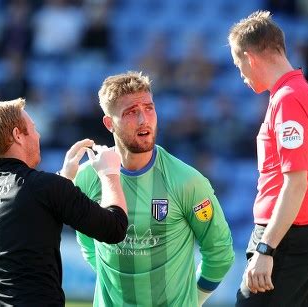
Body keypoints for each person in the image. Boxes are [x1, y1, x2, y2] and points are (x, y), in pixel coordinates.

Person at [75, 71, 235, 306]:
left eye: (149, 108)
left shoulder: (186, 181)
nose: (143, 120)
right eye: (131, 112)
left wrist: (193, 299)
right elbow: (87, 240)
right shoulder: (88, 177)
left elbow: (219, 253)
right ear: (109, 123)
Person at [0, 98, 128, 306]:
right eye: (32, 129)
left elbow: (28, 214)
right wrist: (109, 173)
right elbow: (115, 228)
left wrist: (64, 178)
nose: (38, 135)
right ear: (17, 136)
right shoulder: (43, 187)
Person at [228, 11, 308, 306]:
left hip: (285, 239)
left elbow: (295, 183)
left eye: (239, 66)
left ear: (250, 58)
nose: (242, 76)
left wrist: (266, 248)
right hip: (302, 234)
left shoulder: (288, 99)